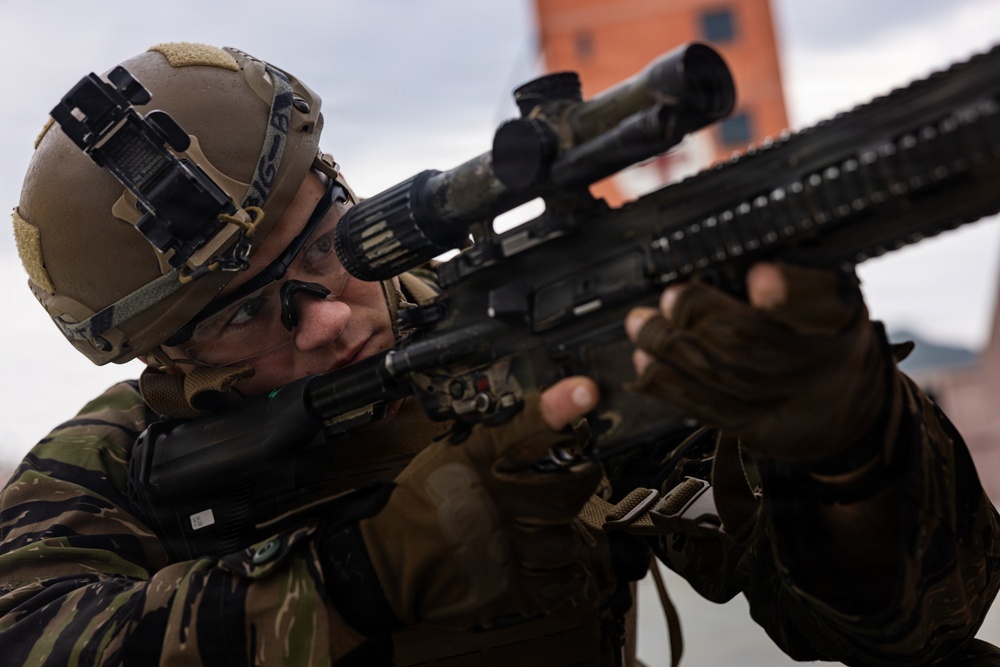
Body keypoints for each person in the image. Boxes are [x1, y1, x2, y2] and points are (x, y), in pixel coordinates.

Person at [1, 42, 998, 666]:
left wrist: (844, 449)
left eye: (324, 248)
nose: (328, 320)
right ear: (163, 354)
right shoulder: (110, 466)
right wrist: (368, 572)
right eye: (241, 316)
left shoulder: (523, 327)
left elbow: (906, 630)